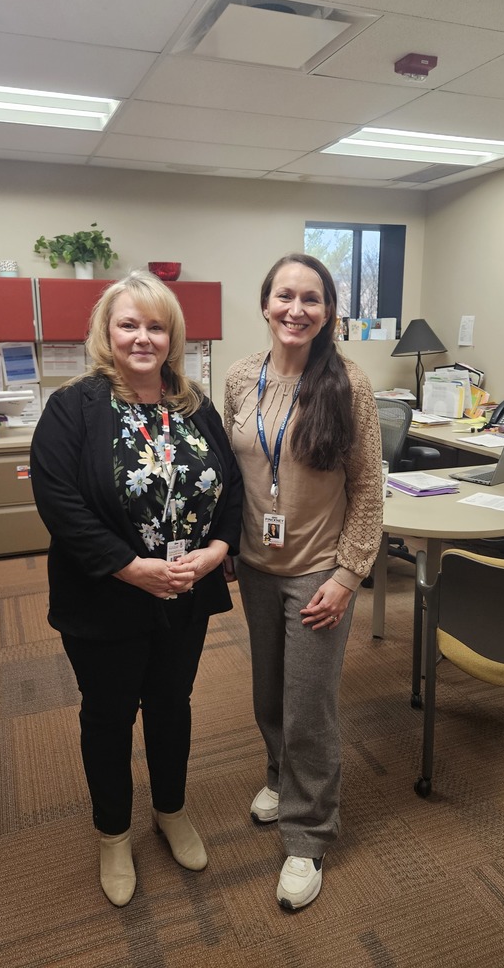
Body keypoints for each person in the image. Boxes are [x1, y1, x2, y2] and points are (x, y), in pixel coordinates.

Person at [31, 270, 242, 907]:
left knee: (172, 703)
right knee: (109, 715)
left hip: (186, 591)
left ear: (172, 335)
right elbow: (58, 501)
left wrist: (217, 551)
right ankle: (113, 833)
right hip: (105, 597)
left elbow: (229, 485)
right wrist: (130, 567)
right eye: (130, 324)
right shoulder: (74, 406)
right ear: (108, 332)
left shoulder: (195, 404)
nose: (143, 337)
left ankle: (171, 810)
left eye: (156, 326)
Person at [223, 253, 383, 911]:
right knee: (268, 690)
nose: (296, 309)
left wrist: (349, 576)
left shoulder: (349, 383)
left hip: (320, 574)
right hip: (257, 568)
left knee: (308, 703)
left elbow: (369, 487)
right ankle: (278, 778)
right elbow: (230, 472)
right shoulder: (239, 377)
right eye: (284, 296)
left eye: (311, 299)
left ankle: (308, 835)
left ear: (329, 313)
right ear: (266, 304)